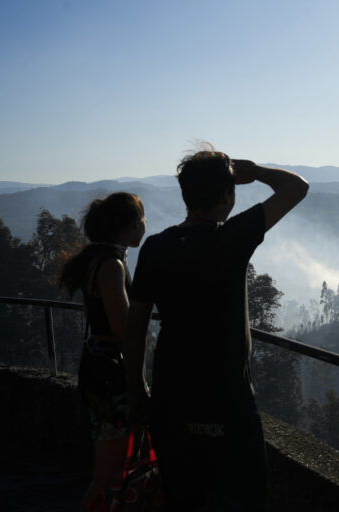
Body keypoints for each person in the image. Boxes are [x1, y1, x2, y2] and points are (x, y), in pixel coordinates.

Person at [125, 144, 309, 511]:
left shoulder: (155, 247)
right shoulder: (231, 237)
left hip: (171, 398)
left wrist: (137, 388)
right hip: (227, 399)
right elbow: (297, 187)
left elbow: (136, 326)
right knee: (245, 497)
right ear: (227, 196)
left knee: (182, 499)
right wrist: (254, 171)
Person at [58, 192, 147, 511]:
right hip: (111, 374)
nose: (145, 225)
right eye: (143, 219)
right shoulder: (111, 265)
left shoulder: (99, 260)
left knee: (112, 471)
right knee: (109, 473)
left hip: (99, 367)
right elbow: (123, 327)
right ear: (133, 224)